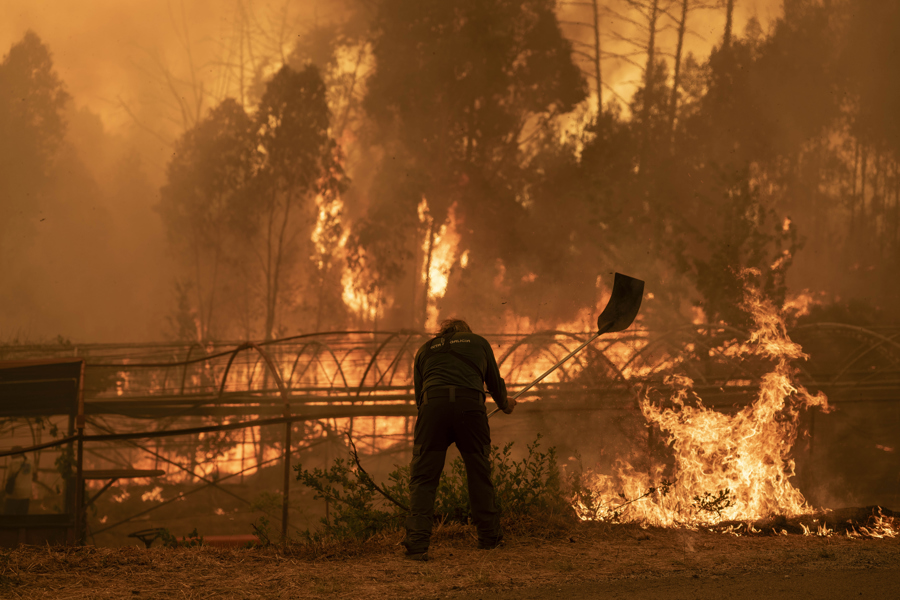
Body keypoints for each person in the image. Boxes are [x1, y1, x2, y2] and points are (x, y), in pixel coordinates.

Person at [401, 318, 517, 561]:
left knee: (423, 478)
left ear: (442, 333)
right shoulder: (478, 342)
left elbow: (419, 397)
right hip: (469, 408)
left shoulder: (424, 349)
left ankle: (417, 545)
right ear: (467, 331)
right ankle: (489, 539)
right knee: (478, 472)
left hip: (432, 409)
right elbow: (495, 384)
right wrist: (506, 404)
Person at [3, 446, 32, 515]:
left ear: (17, 453)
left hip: (14, 494)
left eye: (12, 453)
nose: (10, 455)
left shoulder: (13, 463)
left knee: (8, 517)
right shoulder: (30, 461)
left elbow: (9, 477)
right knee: (22, 518)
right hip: (26, 494)